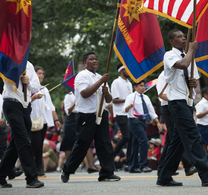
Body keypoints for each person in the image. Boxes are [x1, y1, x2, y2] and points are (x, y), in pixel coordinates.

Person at [157, 29, 208, 187]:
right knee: (193, 136)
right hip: (177, 103)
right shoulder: (170, 55)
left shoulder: (189, 57)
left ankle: (164, 175)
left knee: (177, 142)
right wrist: (192, 50)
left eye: (184, 36)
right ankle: (206, 175)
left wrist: (191, 84)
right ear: (171, 42)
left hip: (187, 102)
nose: (183, 38)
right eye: (178, 37)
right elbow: (182, 65)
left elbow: (193, 81)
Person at [60, 52, 120, 183]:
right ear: (85, 63)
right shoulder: (82, 76)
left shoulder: (100, 77)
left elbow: (109, 99)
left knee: (105, 144)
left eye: (96, 59)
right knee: (82, 144)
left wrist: (106, 92)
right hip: (87, 115)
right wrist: (100, 82)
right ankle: (67, 170)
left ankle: (107, 173)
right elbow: (85, 93)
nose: (94, 61)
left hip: (101, 113)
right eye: (91, 59)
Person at [0, 61, 44, 188]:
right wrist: (18, 75)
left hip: (25, 106)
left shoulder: (29, 65)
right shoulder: (9, 60)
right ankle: (31, 178)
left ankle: (1, 175)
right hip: (12, 103)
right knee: (24, 140)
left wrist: (28, 81)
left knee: (15, 144)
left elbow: (36, 87)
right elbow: (7, 81)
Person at [156, 71, 196, 176]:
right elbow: (161, 95)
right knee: (178, 136)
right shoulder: (163, 75)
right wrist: (178, 99)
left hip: (179, 106)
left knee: (171, 140)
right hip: (169, 107)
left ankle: (162, 168)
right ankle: (188, 165)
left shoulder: (180, 73)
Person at [29, 66, 61, 178]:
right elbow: (25, 102)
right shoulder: (29, 88)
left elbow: (51, 106)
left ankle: (39, 168)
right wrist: (34, 97)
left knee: (39, 144)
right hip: (33, 120)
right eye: (39, 73)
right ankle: (33, 167)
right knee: (35, 144)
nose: (41, 75)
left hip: (43, 121)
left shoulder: (44, 89)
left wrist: (56, 119)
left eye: (42, 73)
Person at [124, 80, 161, 173]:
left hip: (143, 122)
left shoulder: (146, 97)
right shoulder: (131, 97)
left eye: (144, 86)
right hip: (134, 121)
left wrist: (157, 122)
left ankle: (133, 166)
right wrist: (129, 106)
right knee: (143, 141)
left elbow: (151, 111)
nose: (143, 87)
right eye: (140, 86)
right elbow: (124, 110)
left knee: (135, 143)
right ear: (135, 87)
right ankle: (143, 165)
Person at [110, 63, 132, 167]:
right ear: (121, 71)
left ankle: (129, 162)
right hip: (120, 113)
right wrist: (128, 99)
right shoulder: (116, 82)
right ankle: (111, 156)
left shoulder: (129, 83)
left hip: (129, 114)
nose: (128, 70)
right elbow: (114, 100)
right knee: (126, 136)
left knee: (131, 137)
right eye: (126, 69)